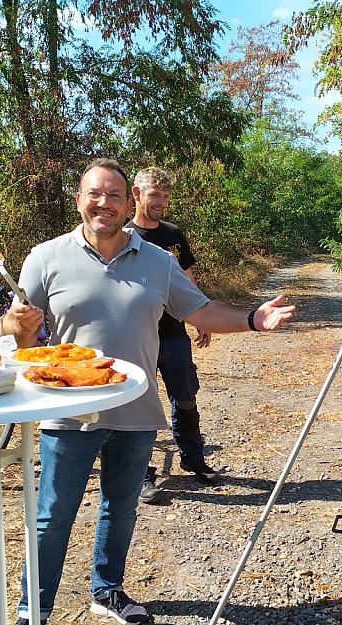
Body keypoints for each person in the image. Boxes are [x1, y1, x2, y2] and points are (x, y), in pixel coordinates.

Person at [0, 158, 294, 625]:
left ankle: (107, 590)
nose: (104, 203)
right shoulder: (45, 258)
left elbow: (201, 311)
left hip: (136, 407)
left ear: (127, 201)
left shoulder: (158, 261)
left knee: (121, 507)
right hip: (68, 412)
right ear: (79, 200)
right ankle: (33, 612)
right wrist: (19, 326)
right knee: (52, 516)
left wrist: (251, 318)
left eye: (114, 195)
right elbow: (22, 336)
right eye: (95, 193)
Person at [127, 167, 214, 503]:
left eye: (165, 196)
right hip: (138, 336)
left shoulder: (174, 234)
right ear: (136, 194)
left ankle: (194, 459)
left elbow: (186, 279)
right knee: (139, 404)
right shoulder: (123, 236)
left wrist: (201, 318)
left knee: (186, 396)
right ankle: (141, 475)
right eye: (154, 195)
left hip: (174, 332)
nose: (161, 202)